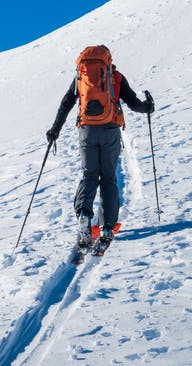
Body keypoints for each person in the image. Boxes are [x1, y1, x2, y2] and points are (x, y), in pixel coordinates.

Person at [46, 45, 154, 247]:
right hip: (110, 131)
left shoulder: (81, 77)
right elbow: (133, 104)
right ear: (108, 60)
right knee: (108, 179)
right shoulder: (116, 77)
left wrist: (55, 129)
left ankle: (84, 217)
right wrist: (148, 106)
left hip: (86, 131)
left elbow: (66, 103)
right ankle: (107, 227)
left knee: (89, 174)